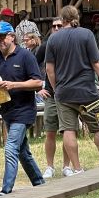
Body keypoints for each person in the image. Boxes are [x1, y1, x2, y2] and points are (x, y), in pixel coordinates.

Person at [44, 5, 99, 175]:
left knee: (69, 130)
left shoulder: (53, 39)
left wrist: (56, 89)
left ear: (63, 20)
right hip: (88, 92)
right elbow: (96, 63)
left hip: (64, 94)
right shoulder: (86, 34)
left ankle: (77, 169)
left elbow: (49, 69)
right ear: (77, 17)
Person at [0, 21, 46, 195]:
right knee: (22, 152)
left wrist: (13, 85)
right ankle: (40, 184)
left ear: (12, 37)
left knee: (11, 147)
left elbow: (38, 83)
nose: (0, 40)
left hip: (24, 110)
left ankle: (6, 191)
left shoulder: (25, 56)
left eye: (3, 36)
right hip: (7, 111)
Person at [31, 18, 69, 179]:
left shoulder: (70, 44)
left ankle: (67, 166)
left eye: (60, 25)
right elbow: (32, 66)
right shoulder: (45, 46)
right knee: (50, 132)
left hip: (68, 95)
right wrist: (38, 88)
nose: (57, 28)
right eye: (54, 26)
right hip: (51, 96)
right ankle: (50, 167)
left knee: (68, 132)